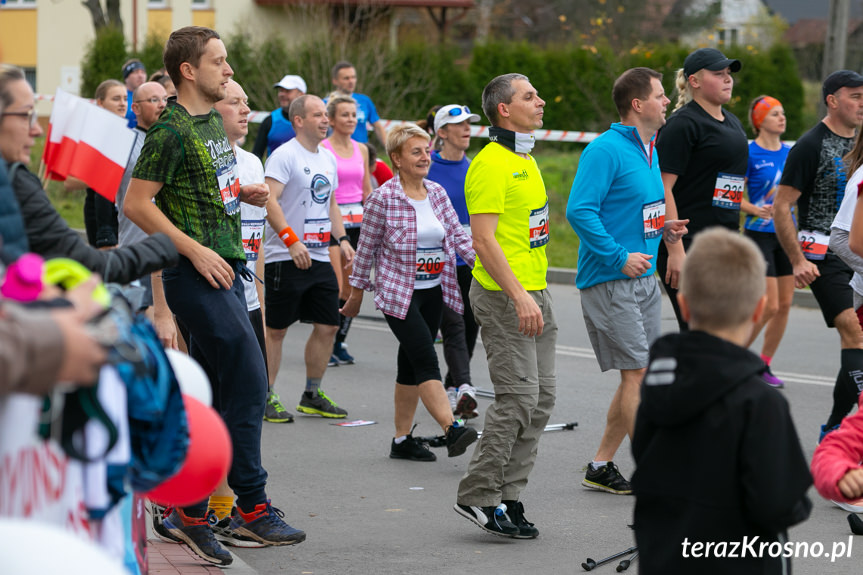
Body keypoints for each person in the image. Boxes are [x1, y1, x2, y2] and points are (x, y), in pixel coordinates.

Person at [124, 26, 305, 564]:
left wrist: (241, 193)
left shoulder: (207, 125)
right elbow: (138, 204)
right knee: (251, 379)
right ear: (188, 70)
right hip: (194, 274)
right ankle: (250, 505)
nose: (227, 71)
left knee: (219, 393)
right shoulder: (171, 130)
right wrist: (194, 251)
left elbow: (195, 193)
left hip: (226, 269)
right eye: (219, 63)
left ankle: (191, 510)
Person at [632, 227, 812, 574]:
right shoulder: (760, 401)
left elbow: (643, 454)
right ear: (760, 308)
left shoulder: (658, 382)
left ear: (682, 304)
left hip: (664, 556)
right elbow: (778, 503)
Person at [567, 68, 688, 496]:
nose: (667, 101)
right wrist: (619, 255)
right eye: (660, 95)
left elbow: (633, 210)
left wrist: (663, 229)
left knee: (638, 373)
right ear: (638, 105)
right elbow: (580, 211)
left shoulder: (650, 148)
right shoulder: (605, 150)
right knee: (638, 373)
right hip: (609, 279)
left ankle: (600, 465)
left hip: (643, 278)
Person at [453, 73, 556, 539]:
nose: (541, 101)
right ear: (504, 110)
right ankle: (479, 496)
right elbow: (482, 240)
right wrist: (518, 296)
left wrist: (533, 294)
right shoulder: (491, 163)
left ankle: (509, 496)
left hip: (536, 291)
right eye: (530, 96)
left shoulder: (525, 157)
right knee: (517, 399)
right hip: (504, 296)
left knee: (540, 400)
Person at [341, 123, 478, 462]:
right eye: (415, 152)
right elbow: (367, 250)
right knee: (427, 359)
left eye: (426, 151)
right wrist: (356, 295)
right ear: (397, 159)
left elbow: (461, 241)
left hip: (433, 291)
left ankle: (401, 441)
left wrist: (494, 271)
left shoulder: (436, 193)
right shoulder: (382, 199)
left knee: (409, 365)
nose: (424, 157)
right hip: (399, 295)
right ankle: (452, 428)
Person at [0, 64, 176, 285]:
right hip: (120, 236)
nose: (37, 129)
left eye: (124, 98)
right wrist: (168, 243)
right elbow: (82, 187)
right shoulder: (14, 182)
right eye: (26, 115)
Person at [774, 70, 863, 439]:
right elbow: (782, 207)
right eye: (855, 96)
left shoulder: (860, 142)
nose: (862, 104)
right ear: (832, 100)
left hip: (857, 257)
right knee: (853, 332)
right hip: (822, 256)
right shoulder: (810, 145)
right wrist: (797, 260)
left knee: (857, 343)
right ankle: (843, 430)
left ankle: (836, 425)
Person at [262, 94, 354, 419]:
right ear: (298, 120)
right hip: (284, 256)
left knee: (329, 325)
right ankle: (266, 396)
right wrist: (290, 241)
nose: (325, 120)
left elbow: (331, 203)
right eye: (318, 115)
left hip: (318, 255)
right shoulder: (283, 156)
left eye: (326, 115)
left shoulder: (327, 158)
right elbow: (269, 200)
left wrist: (341, 239)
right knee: (276, 330)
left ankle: (312, 393)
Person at [655, 47, 747, 331]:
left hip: (724, 243)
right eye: (718, 74)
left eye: (728, 74)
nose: (727, 79)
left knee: (724, 334)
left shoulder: (732, 122)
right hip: (690, 244)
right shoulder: (682, 124)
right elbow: (663, 188)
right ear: (694, 81)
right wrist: (676, 251)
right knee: (702, 333)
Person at [427, 103, 482, 419]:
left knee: (470, 327)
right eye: (459, 124)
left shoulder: (475, 168)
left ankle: (453, 388)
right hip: (438, 265)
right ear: (442, 132)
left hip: (472, 263)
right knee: (453, 326)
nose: (466, 129)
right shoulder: (427, 168)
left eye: (468, 124)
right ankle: (465, 387)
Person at [741, 95, 793, 388]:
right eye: (774, 113)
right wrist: (754, 209)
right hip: (758, 235)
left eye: (782, 113)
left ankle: (763, 365)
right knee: (770, 305)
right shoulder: (748, 153)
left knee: (784, 305)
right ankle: (736, 357)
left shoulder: (791, 153)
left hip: (786, 236)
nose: (781, 118)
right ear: (760, 120)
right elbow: (729, 195)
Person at [321, 95, 373, 366]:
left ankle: (340, 342)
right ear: (330, 119)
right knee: (336, 285)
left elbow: (366, 189)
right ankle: (327, 342)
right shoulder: (323, 149)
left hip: (359, 224)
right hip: (333, 223)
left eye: (354, 115)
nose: (351, 119)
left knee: (353, 288)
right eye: (345, 115)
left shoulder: (361, 149)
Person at [114, 81, 169, 311]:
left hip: (171, 246)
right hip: (137, 245)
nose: (162, 105)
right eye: (154, 100)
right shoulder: (124, 143)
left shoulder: (170, 140)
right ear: (135, 108)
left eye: (165, 99)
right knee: (145, 321)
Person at [71, 79, 128, 249]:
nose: (123, 104)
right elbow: (70, 181)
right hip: (100, 214)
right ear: (100, 103)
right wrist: (106, 175)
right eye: (116, 99)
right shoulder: (92, 137)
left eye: (125, 98)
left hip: (126, 214)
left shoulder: (128, 133)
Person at [329, 61, 386, 145]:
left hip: (362, 151)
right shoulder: (326, 103)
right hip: (336, 151)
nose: (351, 81)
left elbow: (377, 127)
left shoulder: (365, 100)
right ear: (335, 81)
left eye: (353, 77)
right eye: (346, 78)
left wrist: (390, 149)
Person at [251, 74, 306, 161]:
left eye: (287, 91)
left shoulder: (312, 121)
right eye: (280, 91)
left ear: (301, 95)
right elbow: (256, 156)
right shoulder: (270, 121)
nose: (282, 94)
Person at [122, 58, 147, 128]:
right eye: (135, 72)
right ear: (126, 78)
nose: (140, 75)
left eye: (143, 72)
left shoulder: (151, 96)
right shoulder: (121, 97)